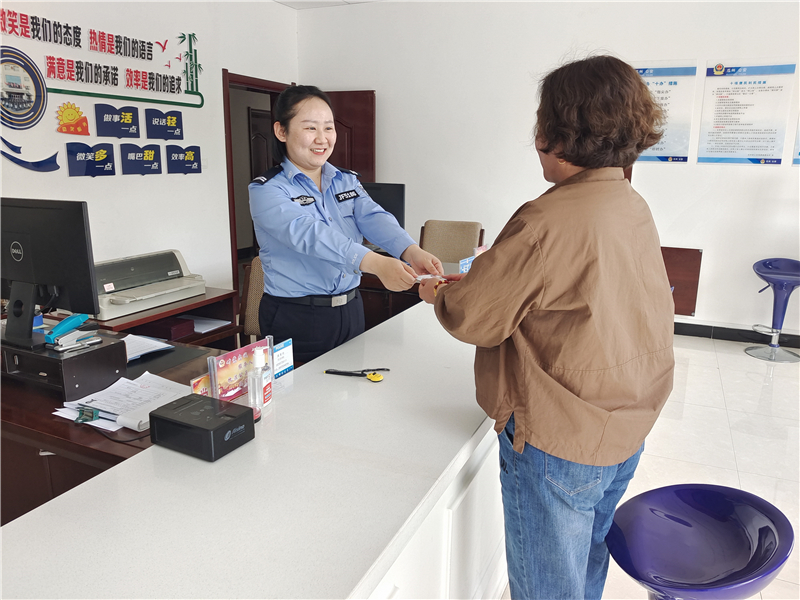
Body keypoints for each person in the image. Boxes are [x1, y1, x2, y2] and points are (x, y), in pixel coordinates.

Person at [419, 55, 675, 600]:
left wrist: (437, 293)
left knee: (547, 588)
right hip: (628, 422)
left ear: (558, 133)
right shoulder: (630, 202)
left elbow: (474, 316)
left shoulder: (545, 220)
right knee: (586, 560)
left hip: (561, 437)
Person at [249, 85, 442, 363]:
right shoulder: (267, 190)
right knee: (304, 392)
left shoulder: (345, 180)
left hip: (351, 308)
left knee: (352, 385)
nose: (322, 138)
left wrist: (411, 251)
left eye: (328, 128)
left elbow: (373, 217)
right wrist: (376, 264)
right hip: (297, 316)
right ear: (281, 131)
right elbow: (311, 235)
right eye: (310, 128)